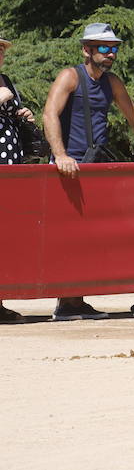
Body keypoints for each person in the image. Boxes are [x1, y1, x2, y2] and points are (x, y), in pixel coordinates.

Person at [41, 23, 134, 321]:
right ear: (86, 50)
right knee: (70, 236)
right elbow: (49, 113)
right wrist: (60, 155)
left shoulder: (112, 82)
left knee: (90, 236)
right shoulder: (70, 76)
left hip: (94, 168)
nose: (110, 53)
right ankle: (66, 303)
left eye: (114, 48)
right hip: (67, 168)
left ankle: (75, 302)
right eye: (103, 47)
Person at [1, 34, 39, 323]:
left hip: (10, 166)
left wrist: (22, 114)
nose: (0, 53)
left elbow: (10, 113)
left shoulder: (6, 80)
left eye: (1, 49)